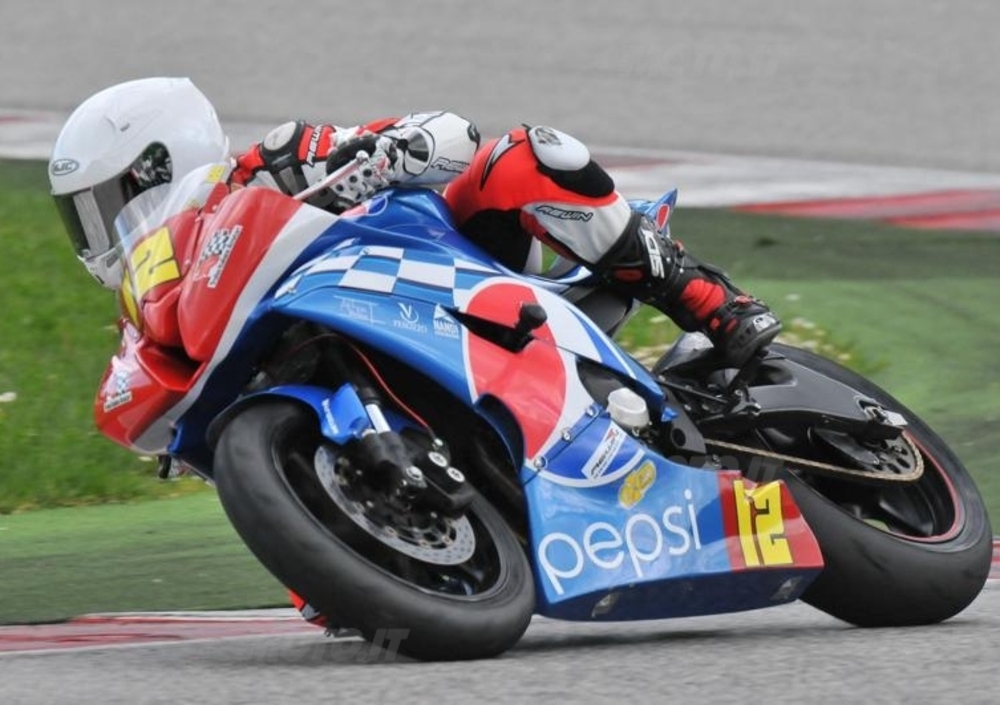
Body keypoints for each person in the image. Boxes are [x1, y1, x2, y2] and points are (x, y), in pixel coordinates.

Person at [50, 76, 780, 369]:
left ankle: (711, 302)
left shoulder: (272, 164)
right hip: (366, 347)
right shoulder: (154, 318)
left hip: (448, 281)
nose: (97, 232)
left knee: (522, 159)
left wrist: (380, 158)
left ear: (157, 163)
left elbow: (449, 134)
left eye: (102, 204)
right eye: (79, 216)